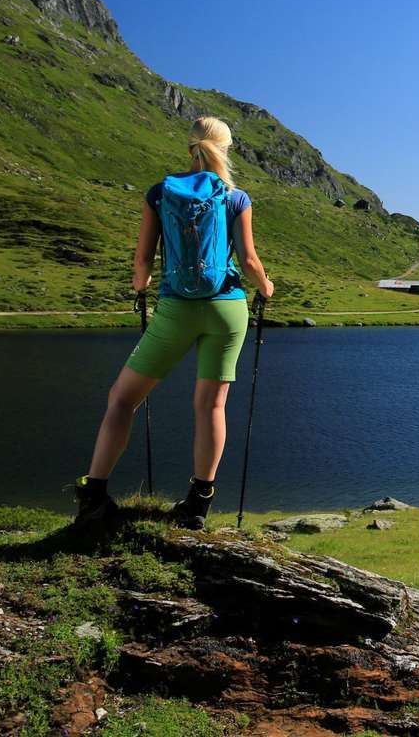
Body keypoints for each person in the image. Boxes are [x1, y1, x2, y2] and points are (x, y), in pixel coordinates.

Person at [74, 116, 274, 528]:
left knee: (123, 399)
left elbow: (143, 260)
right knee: (211, 405)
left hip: (176, 309)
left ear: (190, 148)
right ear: (226, 150)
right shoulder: (237, 198)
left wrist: (140, 284)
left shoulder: (160, 193)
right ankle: (198, 503)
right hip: (228, 308)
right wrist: (266, 288)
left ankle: (94, 494)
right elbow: (249, 261)